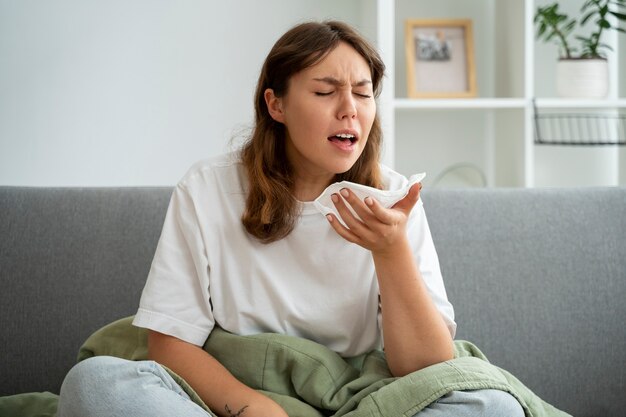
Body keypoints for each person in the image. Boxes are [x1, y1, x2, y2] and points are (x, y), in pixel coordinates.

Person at [57, 20, 524, 417]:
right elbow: (169, 344)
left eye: (363, 94)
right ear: (275, 104)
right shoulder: (207, 190)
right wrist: (257, 410)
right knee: (95, 384)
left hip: (362, 399)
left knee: (491, 406)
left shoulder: (394, 199)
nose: (350, 109)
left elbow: (427, 368)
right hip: (237, 399)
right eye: (326, 91)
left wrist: (391, 249)